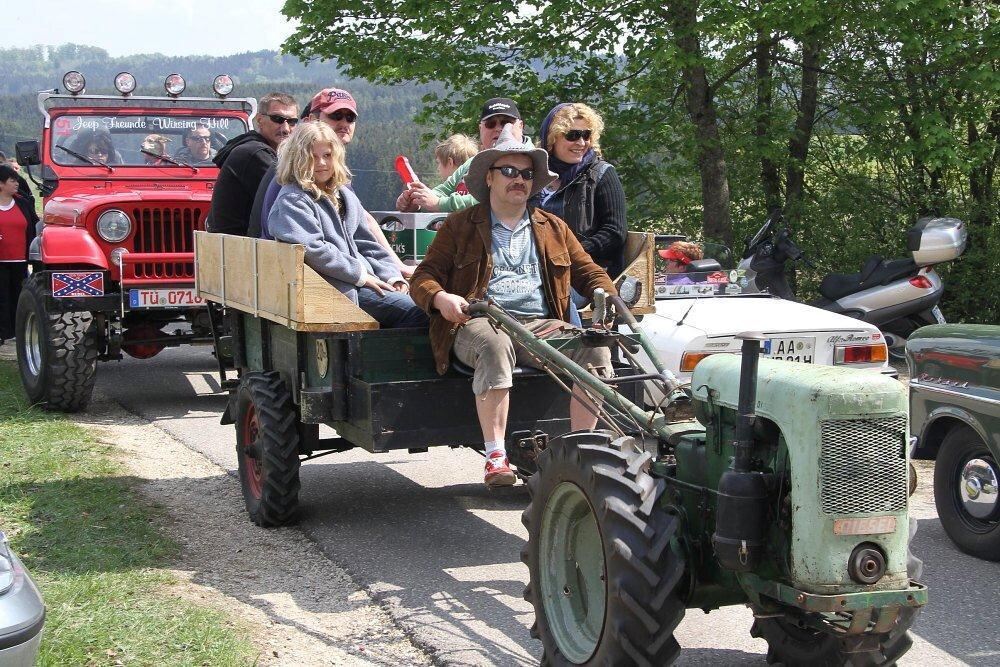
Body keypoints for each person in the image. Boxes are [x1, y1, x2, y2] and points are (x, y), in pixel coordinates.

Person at [410, 125, 616, 487]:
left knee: (595, 350)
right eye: (508, 171)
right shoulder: (459, 226)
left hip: (539, 325)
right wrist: (441, 299)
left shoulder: (553, 227)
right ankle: (495, 457)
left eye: (526, 174)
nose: (518, 179)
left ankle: (580, 454)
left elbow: (589, 272)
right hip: (479, 321)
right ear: (488, 178)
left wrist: (609, 295)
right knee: (495, 344)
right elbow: (423, 279)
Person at [268, 121, 428, 329]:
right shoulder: (294, 199)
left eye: (327, 155)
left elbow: (368, 243)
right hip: (336, 291)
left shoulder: (343, 195)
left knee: (435, 304)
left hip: (364, 282)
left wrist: (392, 276)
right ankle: (391, 359)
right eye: (312, 157)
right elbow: (314, 249)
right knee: (419, 313)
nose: (321, 163)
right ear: (298, 159)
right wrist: (361, 276)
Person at [250, 88, 414, 278]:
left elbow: (361, 222)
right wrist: (381, 271)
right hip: (311, 280)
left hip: (337, 273)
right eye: (336, 115)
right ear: (311, 120)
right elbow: (312, 247)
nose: (344, 123)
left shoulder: (329, 173)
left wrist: (393, 269)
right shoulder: (299, 172)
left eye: (350, 118)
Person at [535, 103, 627, 279]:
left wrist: (569, 255)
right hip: (537, 271)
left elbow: (614, 232)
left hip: (585, 274)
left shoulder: (602, 173)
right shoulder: (532, 176)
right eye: (573, 135)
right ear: (551, 138)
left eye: (586, 135)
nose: (581, 142)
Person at [395, 97, 525, 213]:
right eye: (490, 124)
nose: (498, 128)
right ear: (481, 128)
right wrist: (417, 199)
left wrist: (439, 204)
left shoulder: (532, 161)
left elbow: (490, 198)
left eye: (506, 122)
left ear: (521, 126)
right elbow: (443, 190)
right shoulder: (473, 162)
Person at [206, 92, 298, 236]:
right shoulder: (255, 154)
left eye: (292, 121)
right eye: (277, 119)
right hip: (239, 249)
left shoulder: (254, 149)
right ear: (260, 120)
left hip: (234, 245)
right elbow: (293, 199)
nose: (286, 128)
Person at [0, 164, 38, 344]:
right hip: (1, 260)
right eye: (12, 180)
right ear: (1, 184)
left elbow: (34, 225)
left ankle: (16, 333)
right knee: (2, 297)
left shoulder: (22, 203)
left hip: (20, 260)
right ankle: (3, 333)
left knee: (19, 295)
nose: (16, 183)